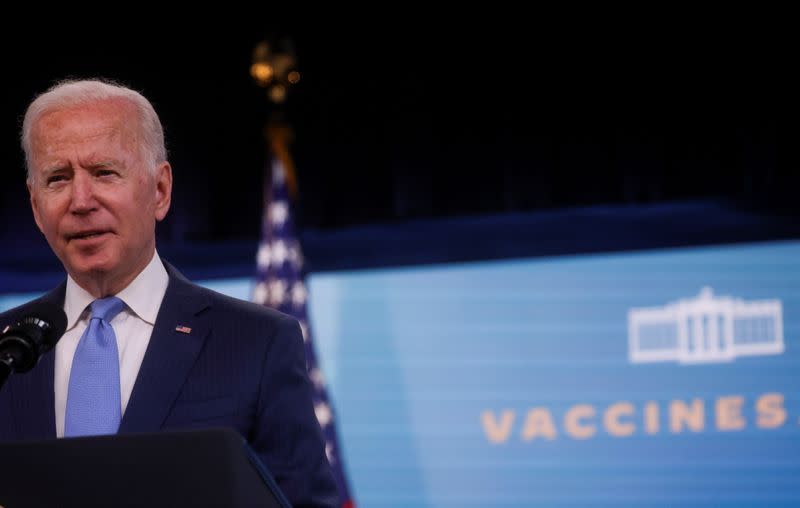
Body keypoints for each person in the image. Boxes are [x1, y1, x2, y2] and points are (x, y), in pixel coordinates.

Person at [0, 79, 339, 508]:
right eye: (58, 178)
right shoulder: (8, 352)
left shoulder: (258, 342)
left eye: (104, 172)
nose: (81, 200)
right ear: (35, 206)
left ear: (160, 190)